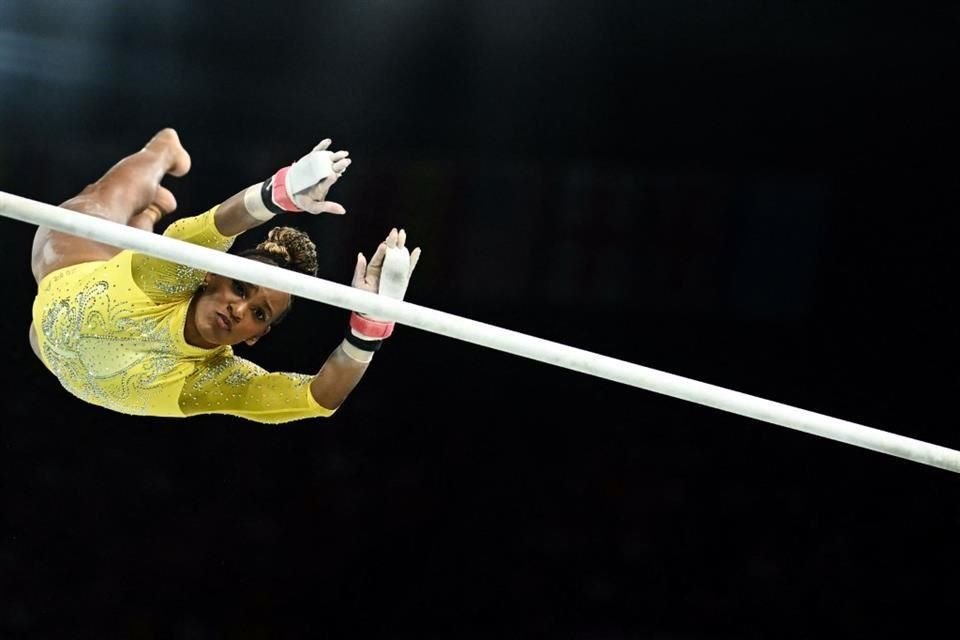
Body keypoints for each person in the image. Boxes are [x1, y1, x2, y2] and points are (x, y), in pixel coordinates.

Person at [28, 128, 420, 424]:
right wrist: (278, 193)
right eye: (240, 287)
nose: (239, 308)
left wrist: (371, 325)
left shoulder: (215, 380)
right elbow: (219, 226)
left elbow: (318, 397)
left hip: (48, 348)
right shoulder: (172, 269)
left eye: (259, 313)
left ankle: (147, 216)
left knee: (114, 272)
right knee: (98, 203)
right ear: (210, 277)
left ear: (255, 335)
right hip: (66, 273)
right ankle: (161, 151)